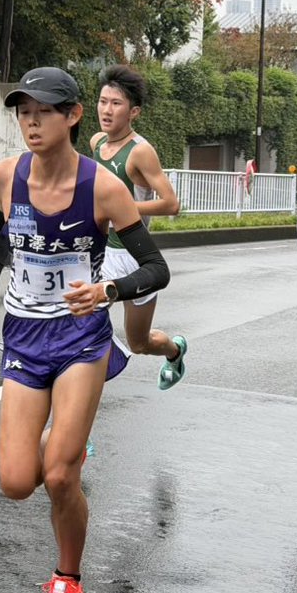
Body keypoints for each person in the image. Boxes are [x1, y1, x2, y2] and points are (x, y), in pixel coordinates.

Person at [0, 66, 170, 593]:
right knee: (15, 483)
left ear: (72, 116)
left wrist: (108, 291)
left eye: (43, 112)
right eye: (23, 113)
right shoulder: (6, 176)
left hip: (80, 338)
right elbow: (0, 235)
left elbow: (156, 268)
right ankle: (62, 441)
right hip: (24, 335)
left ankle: (67, 579)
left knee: (59, 475)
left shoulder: (103, 187)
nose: (31, 123)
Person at [90, 64, 187, 389]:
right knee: (80, 322)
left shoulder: (140, 152)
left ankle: (174, 351)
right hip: (101, 251)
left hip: (134, 255)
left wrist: (121, 210)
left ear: (134, 112)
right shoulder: (96, 143)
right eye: (103, 101)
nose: (106, 110)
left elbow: (171, 204)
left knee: (139, 342)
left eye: (116, 104)